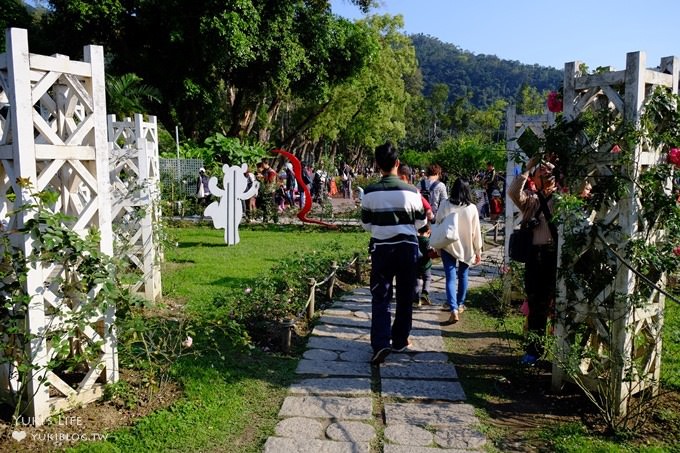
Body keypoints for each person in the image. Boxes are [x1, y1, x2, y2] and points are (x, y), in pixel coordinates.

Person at [361, 142, 426, 365]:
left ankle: (380, 343)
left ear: (377, 164)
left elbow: (367, 224)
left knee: (381, 295)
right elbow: (421, 221)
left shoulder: (370, 192)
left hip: (381, 249)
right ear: (397, 163)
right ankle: (399, 339)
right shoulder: (412, 191)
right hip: (407, 248)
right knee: (405, 295)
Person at [508, 156, 558, 366]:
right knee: (536, 304)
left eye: (549, 173)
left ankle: (561, 355)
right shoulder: (531, 200)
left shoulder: (563, 199)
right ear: (534, 179)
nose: (546, 175)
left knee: (558, 305)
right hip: (534, 257)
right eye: (542, 173)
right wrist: (527, 168)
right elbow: (512, 192)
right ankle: (534, 350)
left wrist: (558, 170)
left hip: (554, 256)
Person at [435, 178, 483, 324]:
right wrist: (478, 250)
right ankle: (460, 304)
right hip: (467, 247)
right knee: (463, 275)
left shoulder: (444, 205)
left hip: (448, 246)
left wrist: (437, 247)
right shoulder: (472, 208)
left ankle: (453, 309)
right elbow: (476, 231)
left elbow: (438, 225)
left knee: (450, 277)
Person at [415, 223, 434, 307]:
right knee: (427, 278)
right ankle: (424, 294)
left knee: (416, 280)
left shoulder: (415, 239)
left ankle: (415, 300)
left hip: (416, 264)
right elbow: (430, 252)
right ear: (428, 232)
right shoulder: (428, 241)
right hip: (426, 265)